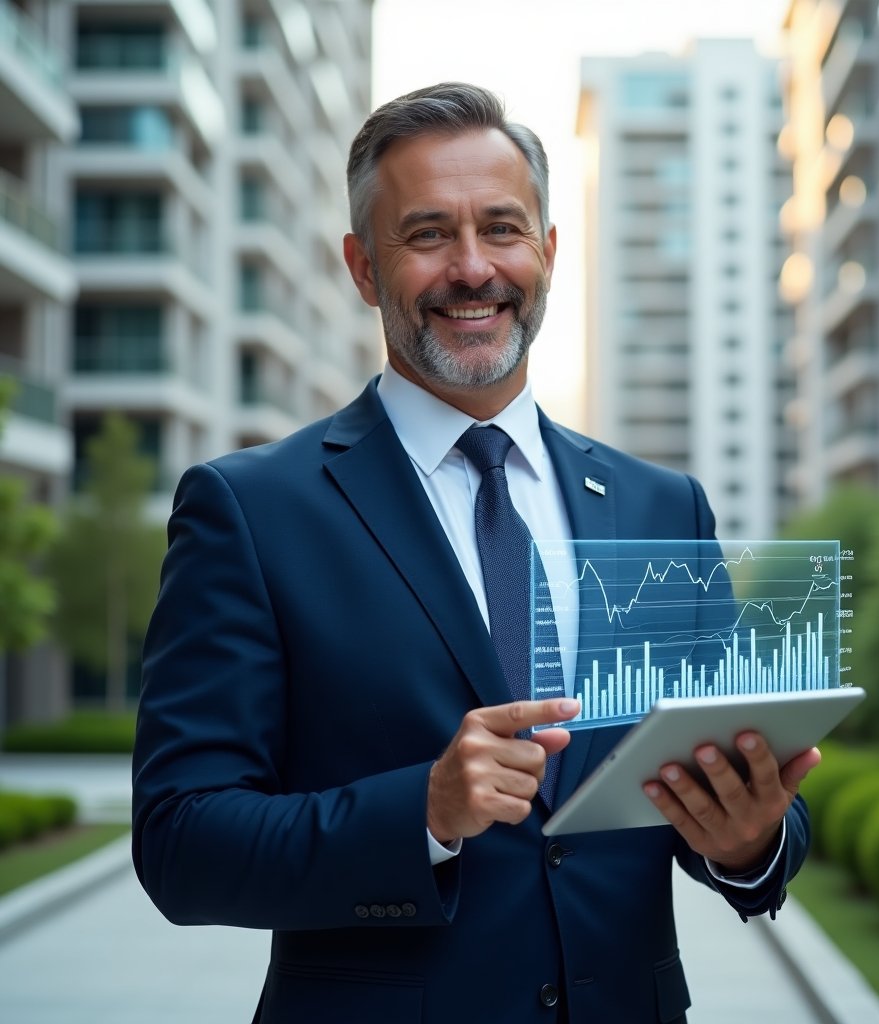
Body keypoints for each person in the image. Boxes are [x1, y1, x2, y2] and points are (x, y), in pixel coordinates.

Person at [132, 82, 819, 1024]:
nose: (471, 268)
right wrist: (421, 813)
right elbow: (180, 843)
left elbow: (734, 790)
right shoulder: (251, 510)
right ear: (362, 267)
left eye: (502, 228)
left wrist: (747, 840)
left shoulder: (663, 508)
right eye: (426, 234)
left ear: (548, 252)